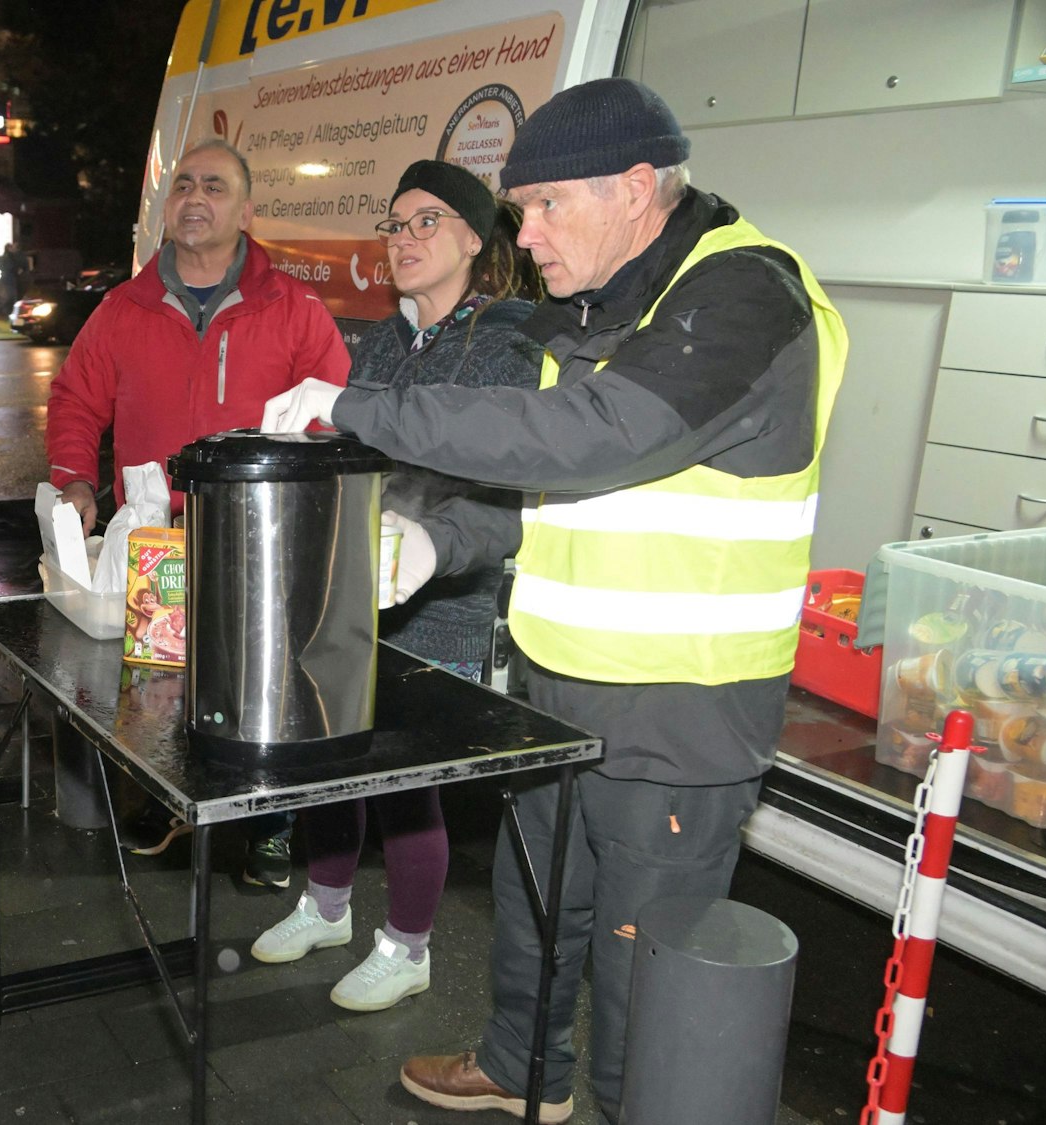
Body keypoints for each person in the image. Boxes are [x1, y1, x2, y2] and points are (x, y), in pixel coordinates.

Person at [263, 78, 845, 1123]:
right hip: (555, 680)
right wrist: (436, 540)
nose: (521, 235)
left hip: (678, 709)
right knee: (537, 910)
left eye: (542, 207)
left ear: (633, 189)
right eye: (516, 209)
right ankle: (520, 1068)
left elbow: (595, 434)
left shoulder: (744, 294)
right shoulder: (592, 304)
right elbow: (550, 492)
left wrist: (359, 404)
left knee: (641, 960)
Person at [250, 160, 541, 1013]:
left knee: (411, 773)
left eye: (426, 222)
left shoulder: (507, 344)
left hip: (443, 590)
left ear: (474, 239)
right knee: (333, 749)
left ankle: (408, 946)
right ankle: (327, 903)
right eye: (395, 223)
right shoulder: (383, 337)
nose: (403, 239)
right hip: (358, 577)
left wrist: (424, 537)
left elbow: (495, 478)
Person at [45, 138, 349, 887]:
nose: (194, 197)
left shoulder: (295, 307)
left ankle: (270, 825)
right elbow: (77, 401)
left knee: (263, 677)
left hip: (259, 534)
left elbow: (337, 414)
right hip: (156, 534)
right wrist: (74, 481)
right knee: (157, 675)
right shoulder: (124, 308)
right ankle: (164, 798)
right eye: (183, 184)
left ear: (246, 211)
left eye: (214, 185)